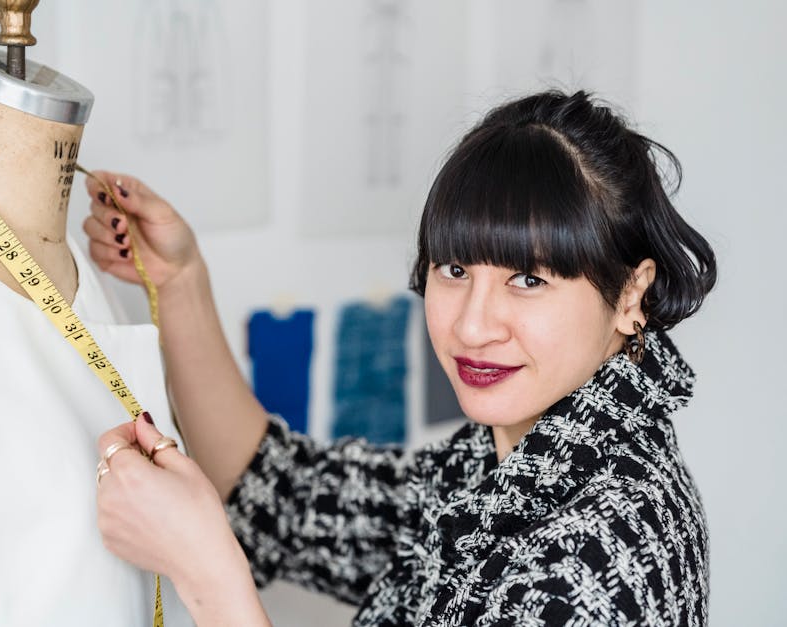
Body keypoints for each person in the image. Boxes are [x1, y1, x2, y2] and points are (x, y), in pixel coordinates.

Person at [85, 90, 715, 626]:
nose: (471, 326)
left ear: (631, 293)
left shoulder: (596, 556)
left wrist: (206, 573)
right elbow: (285, 494)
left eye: (528, 279)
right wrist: (180, 282)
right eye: (454, 268)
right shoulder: (520, 459)